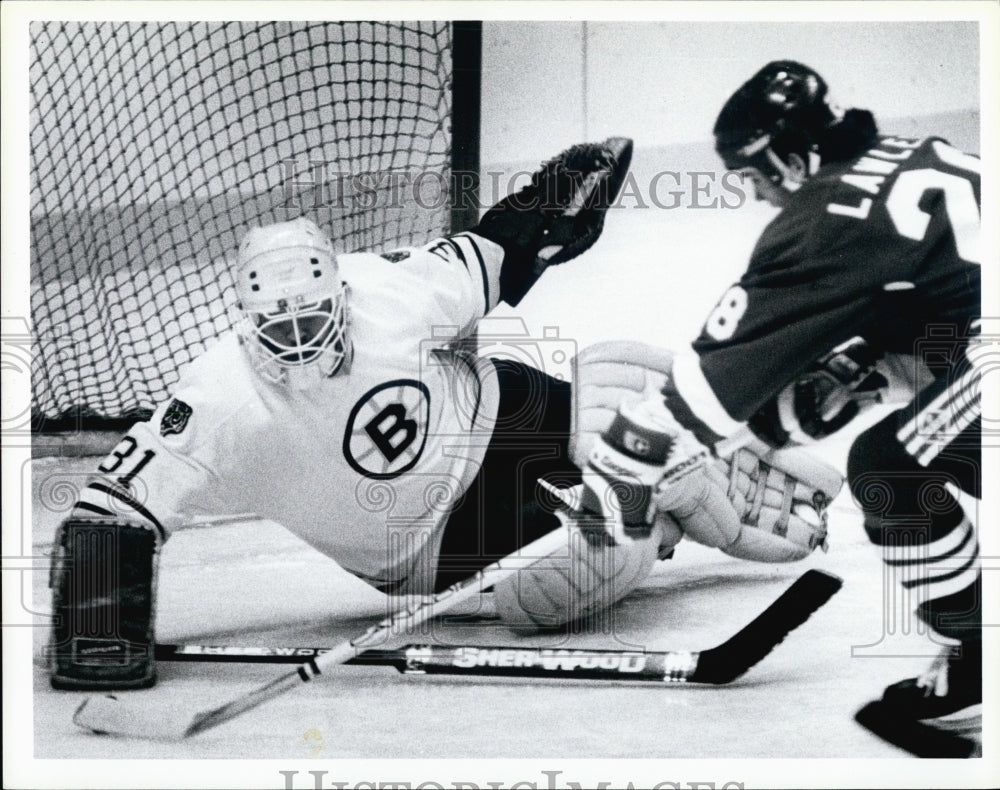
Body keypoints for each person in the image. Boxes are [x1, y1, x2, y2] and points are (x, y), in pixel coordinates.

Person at [48, 138, 670, 690]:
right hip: (429, 544)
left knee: (632, 397)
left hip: (498, 415)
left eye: (312, 317)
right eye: (277, 324)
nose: (298, 338)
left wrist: (548, 209)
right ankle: (667, 519)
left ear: (340, 293)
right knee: (592, 553)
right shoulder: (217, 399)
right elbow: (116, 506)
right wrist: (94, 624)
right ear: (248, 317)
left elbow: (492, 253)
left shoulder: (388, 288)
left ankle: (730, 472)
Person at [604, 61, 981, 756]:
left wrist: (621, 463)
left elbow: (707, 386)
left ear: (782, 151)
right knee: (875, 406)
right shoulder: (904, 154)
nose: (759, 194)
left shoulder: (826, 215)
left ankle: (979, 663)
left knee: (890, 469)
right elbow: (937, 298)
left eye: (754, 176)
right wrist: (810, 400)